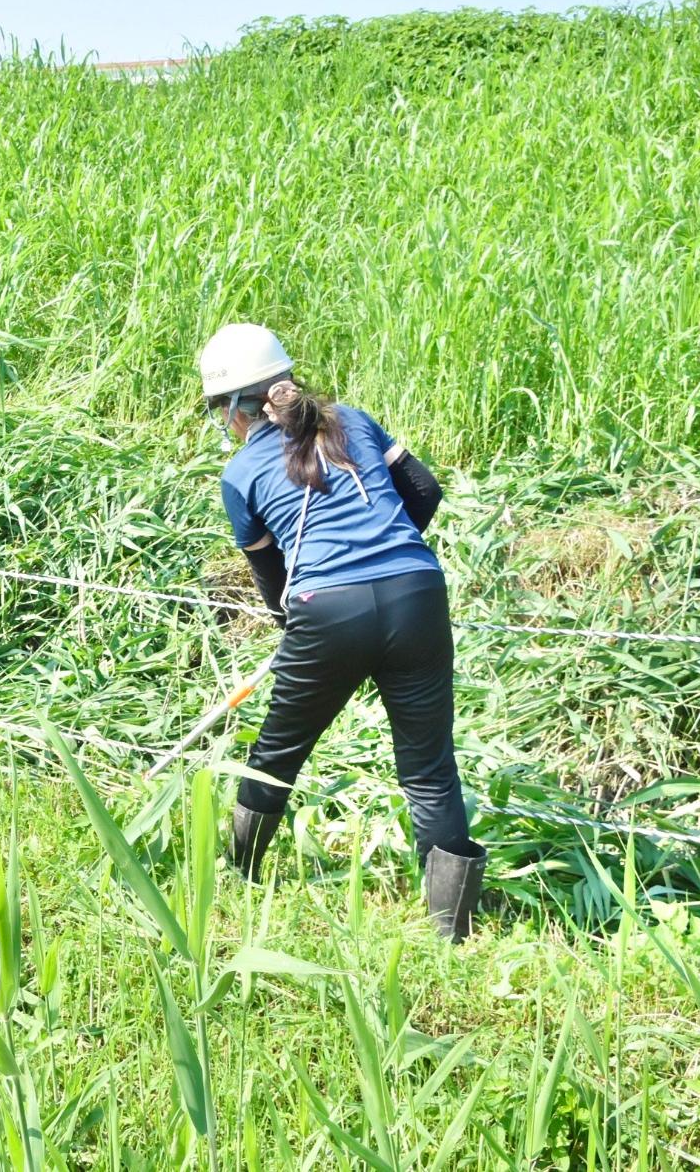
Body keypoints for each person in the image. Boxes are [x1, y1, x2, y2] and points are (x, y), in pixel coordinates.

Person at [198, 322, 487, 941]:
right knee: (431, 768)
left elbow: (273, 581)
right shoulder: (353, 419)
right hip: (418, 592)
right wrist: (389, 552)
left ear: (231, 408)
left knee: (278, 750)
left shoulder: (240, 474)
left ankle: (238, 879)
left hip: (326, 609)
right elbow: (425, 491)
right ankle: (453, 934)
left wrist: (299, 627)